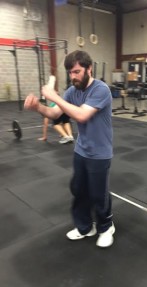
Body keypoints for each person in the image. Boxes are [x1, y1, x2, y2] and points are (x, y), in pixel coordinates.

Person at [24, 50, 114, 248]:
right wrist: (37, 107)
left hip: (100, 153)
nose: (73, 76)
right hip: (81, 150)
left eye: (76, 71)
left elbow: (81, 115)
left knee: (99, 194)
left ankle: (106, 226)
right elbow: (55, 113)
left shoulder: (101, 89)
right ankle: (84, 227)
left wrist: (55, 96)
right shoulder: (72, 91)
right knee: (79, 190)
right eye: (70, 73)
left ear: (89, 69)